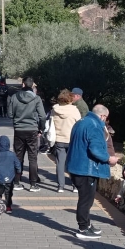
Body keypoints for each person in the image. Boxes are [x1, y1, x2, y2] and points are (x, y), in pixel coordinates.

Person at [65, 104, 118, 239]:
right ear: (103, 116)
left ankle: (87, 224)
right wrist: (109, 159)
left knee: (86, 198)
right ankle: (83, 228)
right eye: (105, 118)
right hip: (86, 169)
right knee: (86, 199)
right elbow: (95, 149)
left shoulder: (81, 122)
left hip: (75, 166)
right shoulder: (95, 126)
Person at [7, 77, 45, 192]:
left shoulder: (14, 97)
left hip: (19, 130)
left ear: (23, 85)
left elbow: (10, 114)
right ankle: (33, 184)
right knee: (32, 158)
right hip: (32, 130)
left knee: (18, 156)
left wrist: (17, 119)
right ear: (32, 85)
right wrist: (41, 129)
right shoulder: (36, 99)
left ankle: (17, 182)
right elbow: (42, 116)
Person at [50, 89, 82, 193]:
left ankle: (60, 186)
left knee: (60, 163)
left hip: (59, 140)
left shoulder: (54, 110)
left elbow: (51, 124)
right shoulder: (74, 110)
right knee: (73, 162)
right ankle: (75, 186)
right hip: (72, 140)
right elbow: (79, 124)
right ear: (70, 99)